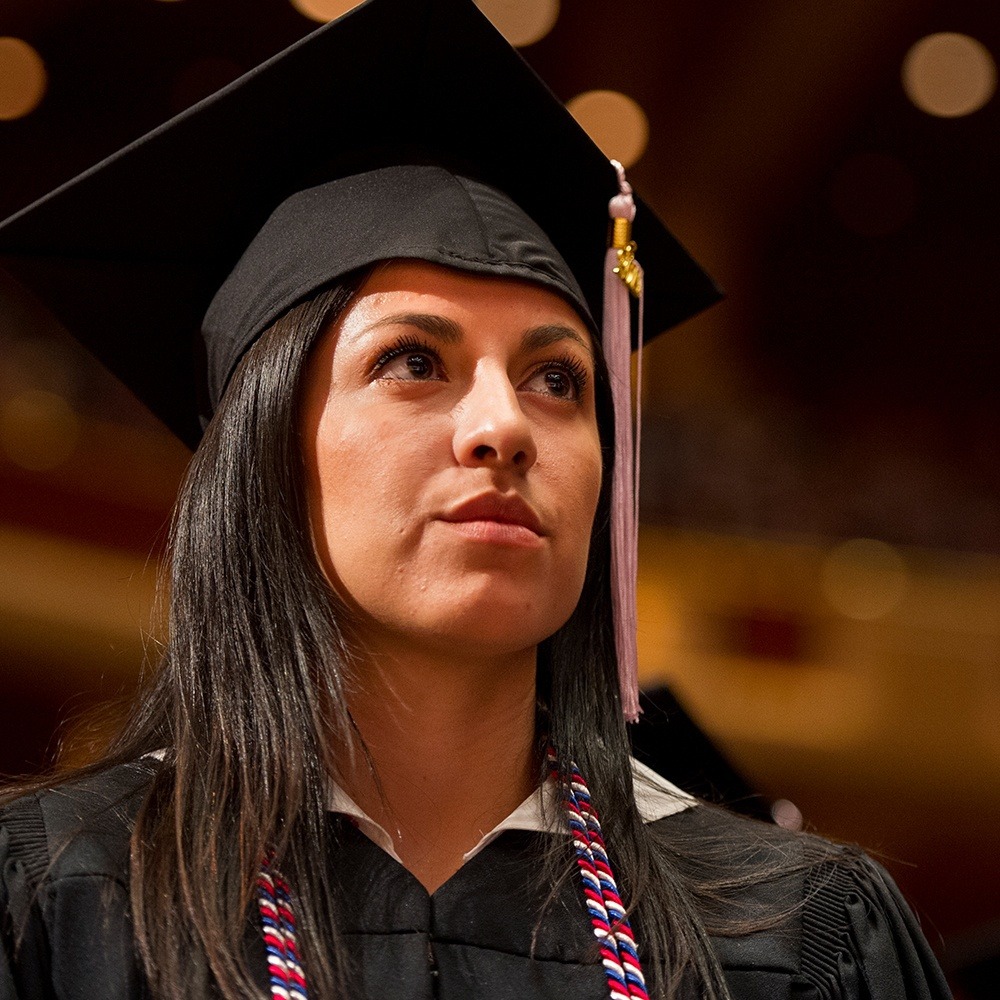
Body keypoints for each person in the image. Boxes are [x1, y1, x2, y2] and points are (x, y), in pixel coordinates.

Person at [0, 1, 953, 998]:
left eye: (559, 381)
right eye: (413, 360)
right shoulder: (55, 905)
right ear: (265, 452)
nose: (503, 426)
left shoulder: (796, 934)